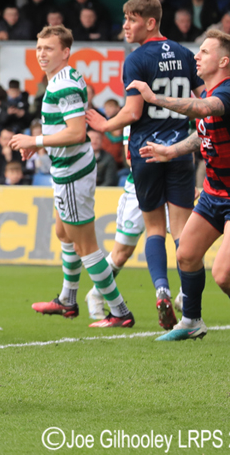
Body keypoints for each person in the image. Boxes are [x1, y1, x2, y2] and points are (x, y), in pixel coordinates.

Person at [133, 30, 230, 344]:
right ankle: (191, 321)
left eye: (205, 52)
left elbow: (204, 110)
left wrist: (154, 98)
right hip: (214, 191)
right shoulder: (211, 95)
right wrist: (171, 151)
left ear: (223, 61)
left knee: (224, 275)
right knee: (186, 254)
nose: (196, 56)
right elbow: (204, 131)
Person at [86, 0, 201, 329]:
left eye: (132, 20)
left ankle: (161, 289)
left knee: (154, 230)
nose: (125, 25)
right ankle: (188, 300)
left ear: (150, 22)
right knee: (182, 232)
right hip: (180, 150)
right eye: (125, 19)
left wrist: (106, 125)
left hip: (147, 152)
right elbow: (202, 102)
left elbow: (134, 111)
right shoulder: (185, 54)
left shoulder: (136, 59)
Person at [12, 25, 134, 328]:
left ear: (65, 52)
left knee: (85, 245)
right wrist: (39, 146)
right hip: (68, 168)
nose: (41, 54)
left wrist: (35, 140)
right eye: (39, 48)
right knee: (64, 233)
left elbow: (77, 132)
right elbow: (66, 128)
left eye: (48, 48)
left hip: (73, 172)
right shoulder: (65, 77)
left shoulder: (62, 84)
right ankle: (67, 299)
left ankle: (119, 311)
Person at [85, 125, 147, 320]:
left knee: (187, 245)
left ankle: (187, 301)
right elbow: (130, 158)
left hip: (174, 186)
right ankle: (96, 293)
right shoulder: (134, 116)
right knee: (121, 254)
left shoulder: (178, 112)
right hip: (139, 188)